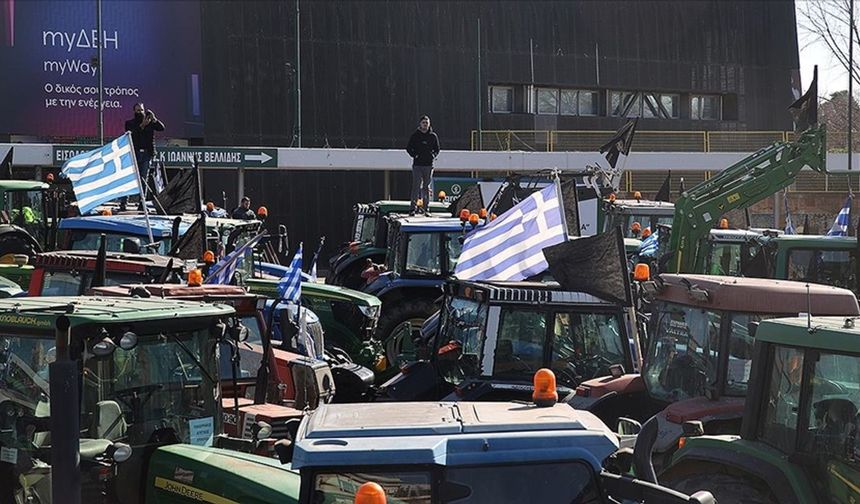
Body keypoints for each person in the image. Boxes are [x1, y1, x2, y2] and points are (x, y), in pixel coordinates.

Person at [123, 103, 165, 210]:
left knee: (143, 179)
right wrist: (142, 125)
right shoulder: (130, 123)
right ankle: (124, 202)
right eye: (138, 110)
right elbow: (130, 134)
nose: (140, 112)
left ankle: (142, 203)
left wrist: (154, 119)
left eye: (141, 110)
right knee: (130, 178)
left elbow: (161, 128)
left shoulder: (150, 123)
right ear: (134, 111)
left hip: (146, 154)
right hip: (134, 153)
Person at [406, 115, 440, 216]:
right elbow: (408, 148)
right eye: (423, 123)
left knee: (426, 187)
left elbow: (437, 149)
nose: (425, 124)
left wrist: (432, 155)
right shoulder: (415, 136)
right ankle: (413, 208)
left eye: (427, 123)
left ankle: (426, 209)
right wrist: (415, 155)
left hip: (428, 165)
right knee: (416, 187)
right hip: (417, 165)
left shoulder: (433, 136)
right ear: (420, 124)